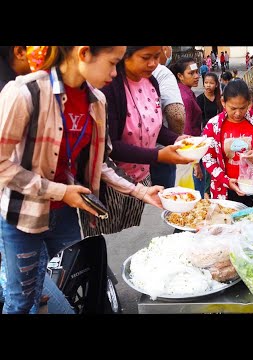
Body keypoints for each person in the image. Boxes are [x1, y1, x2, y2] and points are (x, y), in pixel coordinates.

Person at [0, 46, 167, 314]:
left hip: (65, 215)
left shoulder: (97, 101)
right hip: (22, 217)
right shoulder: (25, 94)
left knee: (74, 286)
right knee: (21, 300)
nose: (115, 73)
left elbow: (100, 160)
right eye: (112, 63)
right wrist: (59, 191)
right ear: (84, 53)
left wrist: (140, 192)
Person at [79, 46, 192, 237]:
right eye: (146, 57)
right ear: (125, 55)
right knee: (103, 238)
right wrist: (158, 155)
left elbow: (152, 127)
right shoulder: (109, 85)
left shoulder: (152, 82)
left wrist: (176, 139)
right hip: (110, 181)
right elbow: (109, 146)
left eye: (157, 57)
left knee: (127, 231)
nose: (153, 64)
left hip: (140, 179)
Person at [0, 46, 75, 314]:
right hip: (19, 211)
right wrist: (57, 190)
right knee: (21, 297)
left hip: (60, 211)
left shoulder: (89, 97)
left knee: (56, 281)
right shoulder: (19, 91)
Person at [202, 80, 253, 207]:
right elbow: (208, 159)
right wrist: (225, 180)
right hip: (226, 190)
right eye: (233, 108)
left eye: (242, 108)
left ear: (249, 103)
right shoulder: (213, 126)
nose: (237, 113)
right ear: (223, 103)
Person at [150, 45, 187, 188]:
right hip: (161, 152)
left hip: (149, 155)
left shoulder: (149, 79)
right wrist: (174, 141)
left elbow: (149, 125)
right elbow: (176, 114)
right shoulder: (162, 72)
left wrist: (175, 138)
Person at [170, 57, 206, 198]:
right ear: (180, 76)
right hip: (189, 154)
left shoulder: (187, 92)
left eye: (197, 72)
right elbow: (187, 129)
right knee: (191, 196)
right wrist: (195, 162)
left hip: (189, 153)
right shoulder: (184, 96)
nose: (197, 76)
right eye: (191, 73)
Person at [196, 72, 223, 198]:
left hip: (219, 135)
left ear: (216, 84)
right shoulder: (200, 99)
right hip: (205, 136)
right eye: (206, 83)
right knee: (207, 165)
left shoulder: (220, 99)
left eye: (211, 83)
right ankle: (206, 193)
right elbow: (197, 121)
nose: (208, 85)